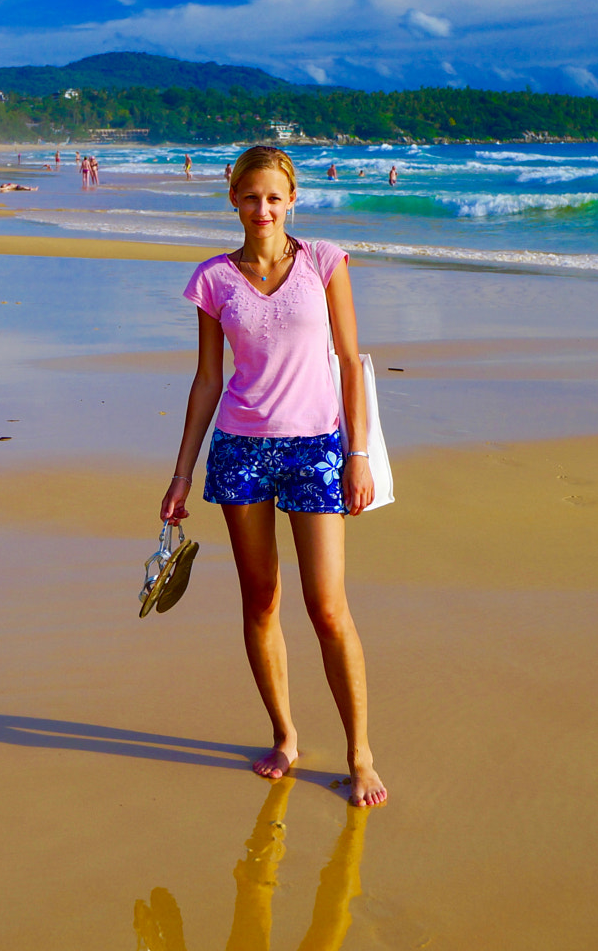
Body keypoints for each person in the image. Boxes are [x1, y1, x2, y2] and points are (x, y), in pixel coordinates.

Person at [161, 144, 387, 808]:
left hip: (317, 449)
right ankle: (285, 736)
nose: (263, 209)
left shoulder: (323, 262)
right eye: (251, 197)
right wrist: (180, 473)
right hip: (240, 450)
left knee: (327, 608)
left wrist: (359, 455)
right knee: (260, 602)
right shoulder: (212, 280)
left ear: (292, 202)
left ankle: (360, 753)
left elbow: (349, 361)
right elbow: (207, 380)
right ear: (233, 199)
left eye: (274, 198)